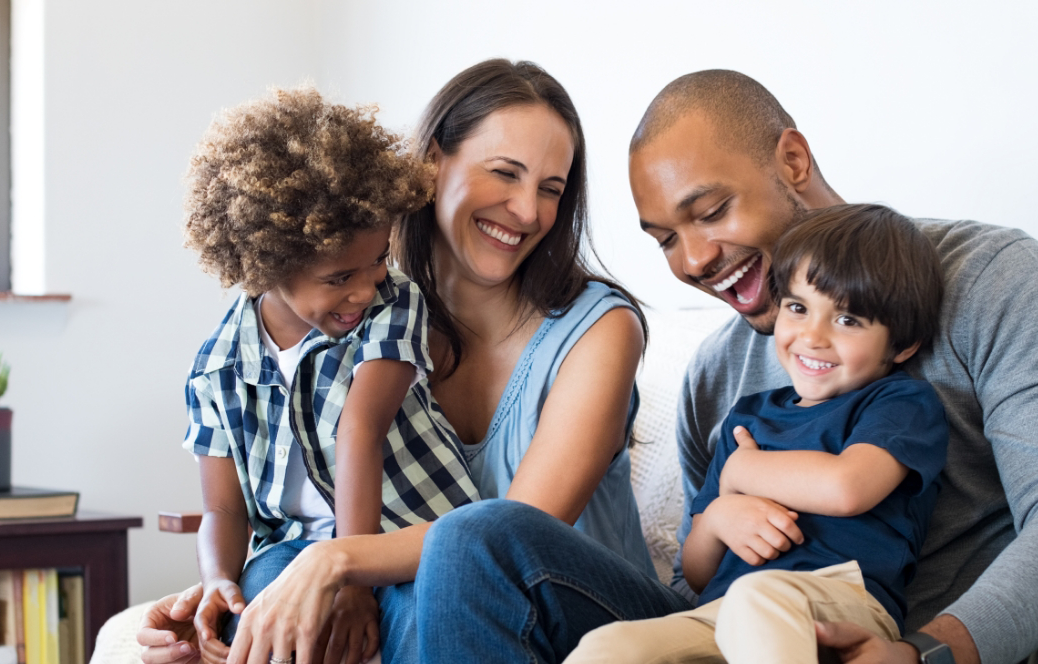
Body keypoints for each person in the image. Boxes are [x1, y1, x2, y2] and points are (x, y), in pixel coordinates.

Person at [139, 59, 686, 664]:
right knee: (286, 584)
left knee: (465, 539)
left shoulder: (600, 328)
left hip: (585, 612)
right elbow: (292, 503)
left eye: (551, 190)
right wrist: (234, 603)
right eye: (504, 173)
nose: (528, 211)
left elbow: (512, 533)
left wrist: (339, 562)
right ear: (430, 163)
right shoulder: (357, 309)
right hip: (448, 610)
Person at [631, 71, 1038, 664]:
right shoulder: (715, 375)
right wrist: (718, 516)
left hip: (896, 630)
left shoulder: (993, 279)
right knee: (500, 541)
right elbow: (699, 576)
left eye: (711, 211)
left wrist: (926, 654)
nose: (694, 260)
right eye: (665, 240)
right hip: (728, 630)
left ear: (792, 162)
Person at [566, 203, 949, 663]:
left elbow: (847, 487)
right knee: (611, 645)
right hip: (724, 609)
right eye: (797, 307)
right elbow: (697, 572)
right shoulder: (747, 418)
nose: (812, 336)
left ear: (902, 344)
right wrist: (723, 514)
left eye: (848, 320)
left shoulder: (899, 403)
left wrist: (744, 469)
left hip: (840, 598)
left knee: (758, 599)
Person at [177, 87, 480, 664]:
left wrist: (353, 580)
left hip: (403, 537)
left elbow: (359, 431)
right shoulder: (216, 369)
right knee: (260, 602)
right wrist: (218, 580)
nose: (364, 290)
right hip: (290, 547)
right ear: (268, 263)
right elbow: (222, 509)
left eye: (376, 261)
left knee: (426, 610)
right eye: (340, 276)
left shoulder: (394, 305)